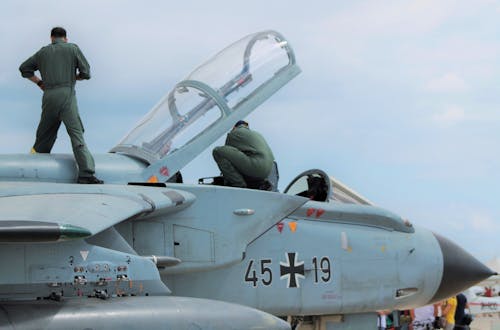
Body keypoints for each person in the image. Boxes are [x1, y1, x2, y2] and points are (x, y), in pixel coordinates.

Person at [19, 27, 103, 184]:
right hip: (66, 96)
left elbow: (24, 69)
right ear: (65, 38)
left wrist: (40, 83)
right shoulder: (72, 48)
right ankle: (86, 174)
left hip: (48, 96)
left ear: (51, 38)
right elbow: (86, 73)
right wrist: (74, 77)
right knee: (75, 133)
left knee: (43, 137)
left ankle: (33, 170)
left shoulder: (42, 52)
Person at [212, 120, 274, 189]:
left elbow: (228, 158)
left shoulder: (235, 133)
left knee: (218, 152)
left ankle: (238, 184)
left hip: (255, 166)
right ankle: (260, 183)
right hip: (267, 171)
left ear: (234, 127)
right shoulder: (257, 134)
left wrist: (226, 177)